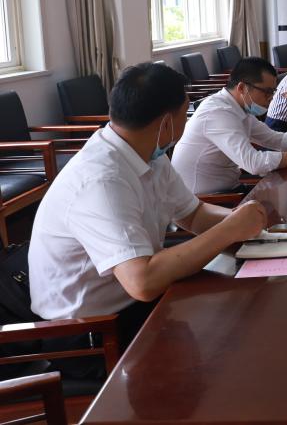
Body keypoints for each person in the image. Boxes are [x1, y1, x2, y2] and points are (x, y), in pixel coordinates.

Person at [28, 63, 268, 336]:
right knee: (234, 329)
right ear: (166, 123)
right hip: (90, 329)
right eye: (184, 115)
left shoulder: (148, 152)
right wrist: (230, 229)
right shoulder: (101, 180)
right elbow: (142, 282)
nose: (186, 122)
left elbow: (193, 214)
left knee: (244, 310)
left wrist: (250, 223)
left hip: (134, 301)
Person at [172, 57, 287, 194]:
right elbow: (254, 163)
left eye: (273, 92)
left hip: (230, 190)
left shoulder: (238, 107)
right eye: (267, 92)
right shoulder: (218, 113)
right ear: (242, 88)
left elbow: (273, 138)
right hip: (208, 200)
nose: (271, 98)